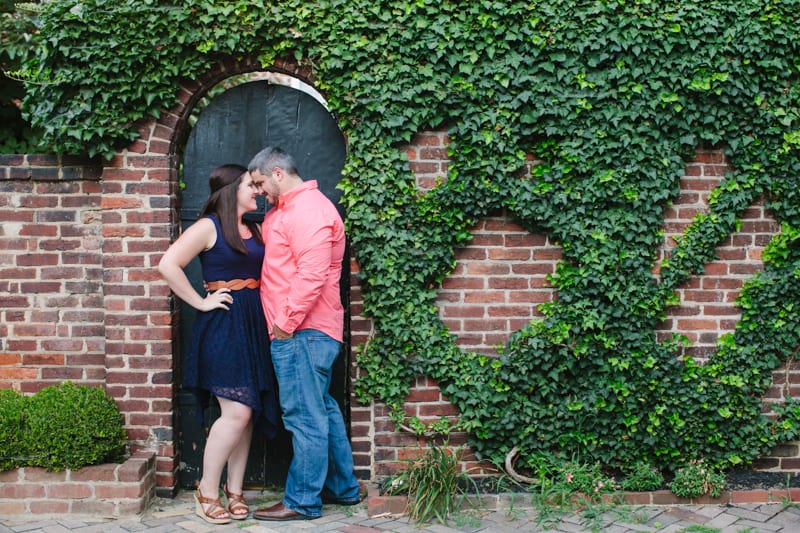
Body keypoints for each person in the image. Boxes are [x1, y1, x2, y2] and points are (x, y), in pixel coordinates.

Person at [158, 164, 280, 524]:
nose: (256, 191)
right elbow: (168, 264)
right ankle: (206, 491)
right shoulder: (209, 226)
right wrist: (200, 301)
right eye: (249, 185)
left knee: (249, 410)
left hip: (254, 323)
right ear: (230, 190)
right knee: (236, 411)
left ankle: (235, 491)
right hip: (223, 324)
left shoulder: (255, 228)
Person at [248, 147, 362, 521]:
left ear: (278, 173)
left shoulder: (309, 211)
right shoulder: (287, 211)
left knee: (304, 417)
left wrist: (285, 324)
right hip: (306, 332)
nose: (260, 191)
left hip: (302, 332)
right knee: (323, 411)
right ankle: (343, 488)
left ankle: (301, 501)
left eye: (261, 183)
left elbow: (311, 277)